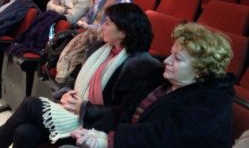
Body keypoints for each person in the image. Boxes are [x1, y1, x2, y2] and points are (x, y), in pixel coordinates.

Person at [0, 3, 163, 148]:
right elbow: (77, 78)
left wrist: (84, 107)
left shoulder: (139, 65)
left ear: (123, 32)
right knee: (23, 132)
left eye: (108, 23)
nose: (101, 26)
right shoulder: (100, 49)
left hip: (95, 125)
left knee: (30, 104)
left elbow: (121, 112)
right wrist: (68, 92)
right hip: (73, 111)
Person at [70, 22, 235, 148]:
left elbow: (166, 136)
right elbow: (122, 110)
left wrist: (110, 139)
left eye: (177, 59)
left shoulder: (214, 101)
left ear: (201, 69)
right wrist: (94, 131)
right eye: (171, 54)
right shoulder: (158, 79)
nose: (167, 61)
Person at [56, 0, 133, 83]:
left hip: (105, 38)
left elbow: (111, 28)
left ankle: (74, 78)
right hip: (90, 32)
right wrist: (84, 20)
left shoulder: (124, 4)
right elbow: (90, 13)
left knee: (82, 43)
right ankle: (68, 75)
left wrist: (88, 27)